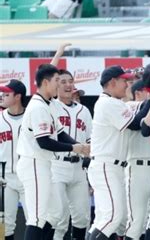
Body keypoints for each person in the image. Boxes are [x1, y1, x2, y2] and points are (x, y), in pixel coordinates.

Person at [16, 64, 89, 240]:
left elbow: (60, 133)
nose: (59, 84)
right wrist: (74, 148)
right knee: (37, 218)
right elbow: (44, 142)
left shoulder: (47, 104)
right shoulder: (38, 107)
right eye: (57, 80)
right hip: (33, 163)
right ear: (46, 83)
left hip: (43, 163)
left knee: (55, 213)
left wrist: (80, 147)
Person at [87, 65, 150, 239]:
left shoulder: (112, 102)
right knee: (113, 218)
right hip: (106, 165)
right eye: (124, 81)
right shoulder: (108, 103)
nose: (127, 85)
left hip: (110, 166)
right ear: (112, 82)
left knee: (103, 218)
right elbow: (135, 124)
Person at [49, 69, 92, 240]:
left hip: (79, 167)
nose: (67, 85)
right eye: (62, 81)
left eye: (70, 81)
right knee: (59, 217)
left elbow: (90, 139)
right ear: (55, 84)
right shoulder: (50, 106)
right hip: (57, 165)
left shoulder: (84, 111)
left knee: (82, 218)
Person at [124, 80, 150, 240]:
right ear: (137, 93)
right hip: (137, 167)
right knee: (136, 221)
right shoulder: (129, 106)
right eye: (147, 90)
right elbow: (136, 123)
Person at [0, 80, 28, 240]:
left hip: (28, 178)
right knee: (5, 225)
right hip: (5, 179)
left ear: (18, 96)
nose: (2, 96)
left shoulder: (31, 116)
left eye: (6, 94)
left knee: (35, 221)